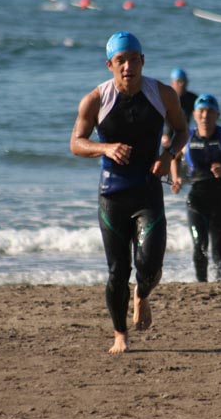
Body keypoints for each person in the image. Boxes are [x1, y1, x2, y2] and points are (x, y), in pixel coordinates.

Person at [70, 31, 188, 354]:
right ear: (109, 65)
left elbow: (182, 130)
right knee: (117, 272)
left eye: (133, 59)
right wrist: (105, 148)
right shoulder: (96, 100)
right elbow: (76, 143)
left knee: (149, 265)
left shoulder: (162, 94)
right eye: (120, 61)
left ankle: (143, 293)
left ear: (142, 61)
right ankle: (119, 334)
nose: (128, 67)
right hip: (113, 195)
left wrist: (168, 156)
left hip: (148, 191)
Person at [170, 94, 221, 282]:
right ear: (194, 114)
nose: (205, 116)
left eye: (210, 111)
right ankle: (201, 284)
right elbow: (174, 157)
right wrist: (176, 178)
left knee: (219, 251)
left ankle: (220, 283)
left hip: (220, 201)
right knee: (200, 245)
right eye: (201, 111)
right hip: (195, 201)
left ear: (217, 115)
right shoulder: (186, 137)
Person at [161, 68, 197, 148]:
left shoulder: (192, 98)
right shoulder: (166, 98)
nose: (182, 84)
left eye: (184, 81)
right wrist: (164, 134)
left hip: (186, 133)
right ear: (172, 83)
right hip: (168, 134)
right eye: (179, 81)